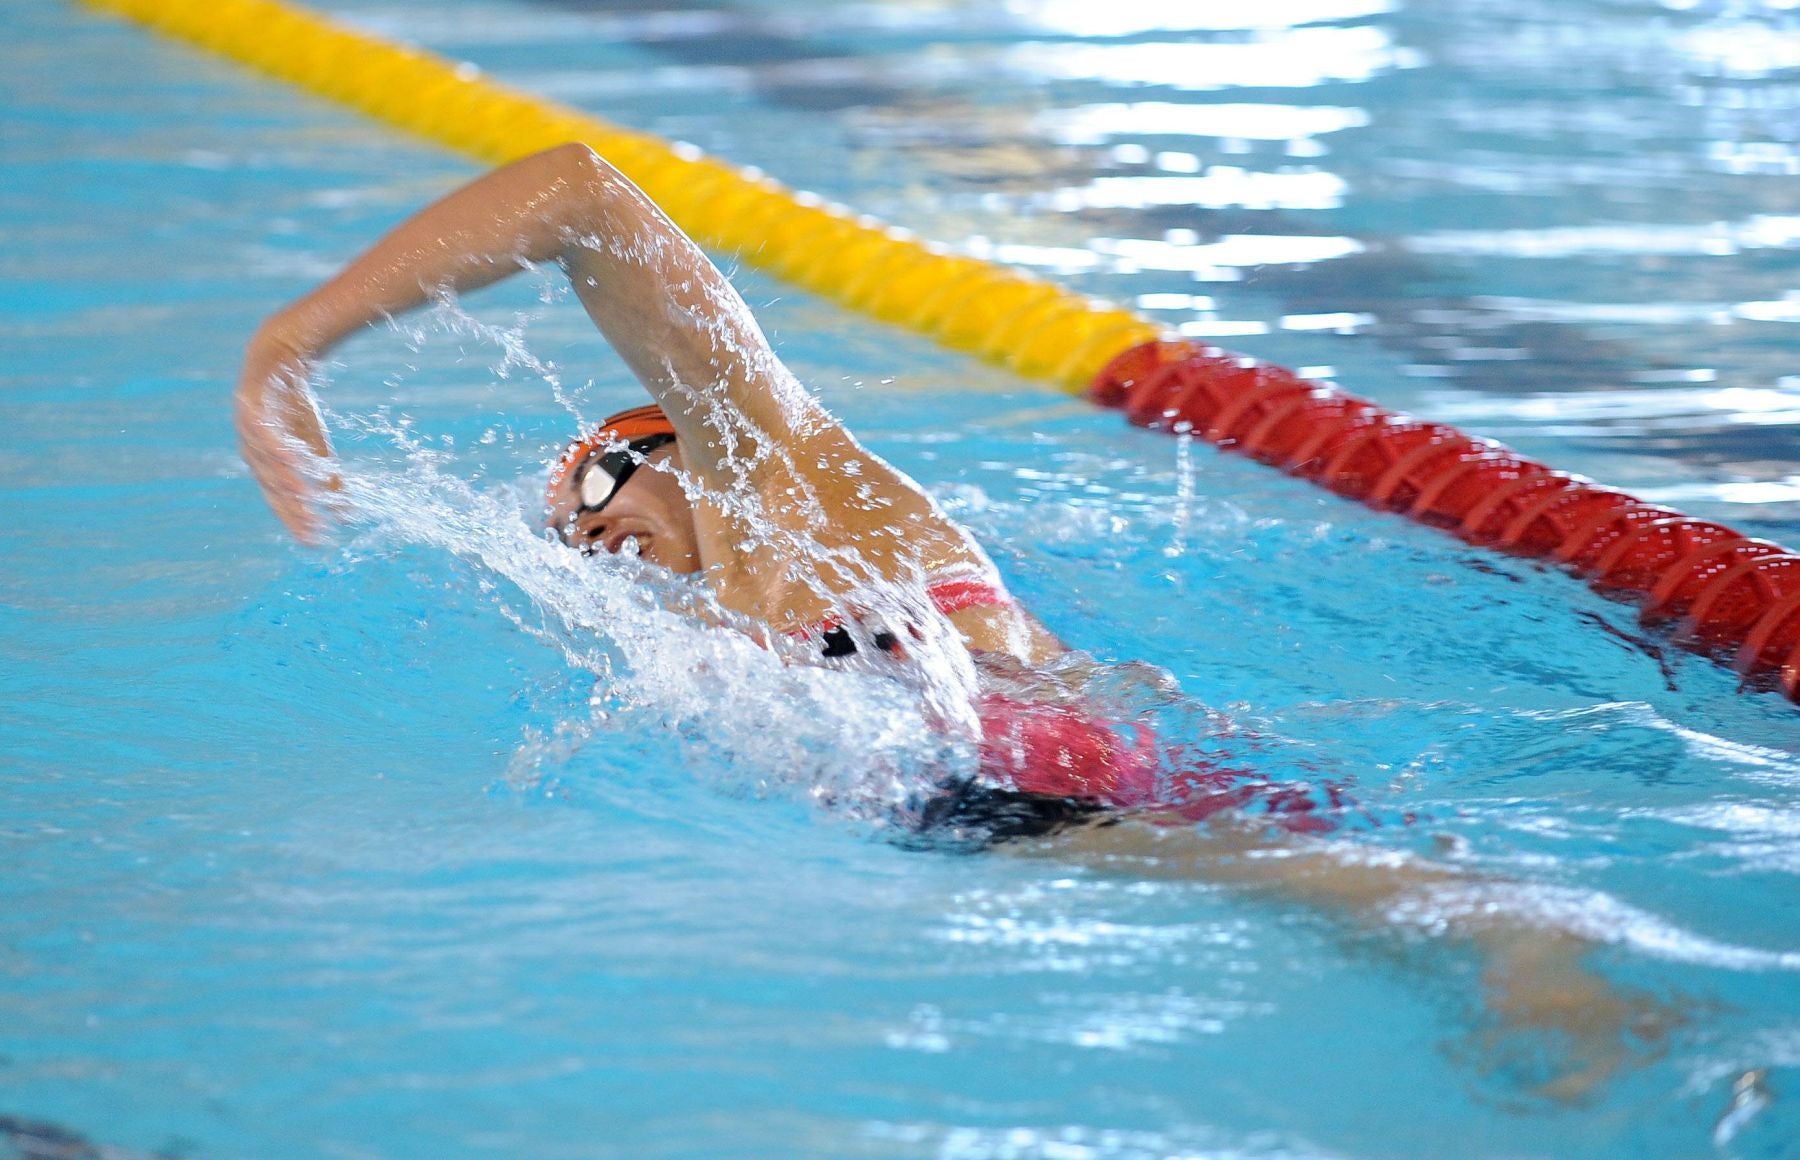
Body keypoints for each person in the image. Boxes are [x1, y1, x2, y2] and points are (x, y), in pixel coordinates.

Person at [237, 142, 1674, 1097]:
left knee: (1378, 896)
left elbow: (577, 192)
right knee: (1315, 922)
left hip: (1040, 749)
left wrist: (290, 343)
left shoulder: (783, 480)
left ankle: (1555, 958)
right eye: (570, 528)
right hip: (960, 815)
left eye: (597, 470)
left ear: (669, 438)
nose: (588, 524)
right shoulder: (719, 610)